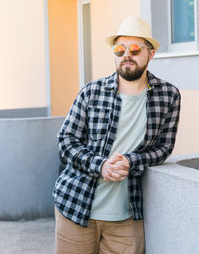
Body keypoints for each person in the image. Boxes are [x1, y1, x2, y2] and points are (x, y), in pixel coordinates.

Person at [53, 16, 181, 254]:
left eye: (135, 49)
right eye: (120, 49)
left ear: (150, 54)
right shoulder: (91, 92)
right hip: (76, 204)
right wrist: (101, 166)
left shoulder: (169, 96)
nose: (126, 55)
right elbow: (66, 140)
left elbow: (164, 147)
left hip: (127, 214)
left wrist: (132, 161)